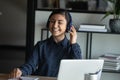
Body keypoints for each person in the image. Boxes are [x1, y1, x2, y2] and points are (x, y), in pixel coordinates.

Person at [9, 8, 82, 78]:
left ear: (68, 27)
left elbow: (78, 67)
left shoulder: (73, 47)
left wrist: (73, 43)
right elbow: (30, 65)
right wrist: (21, 71)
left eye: (60, 22)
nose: (55, 25)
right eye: (52, 21)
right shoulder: (41, 46)